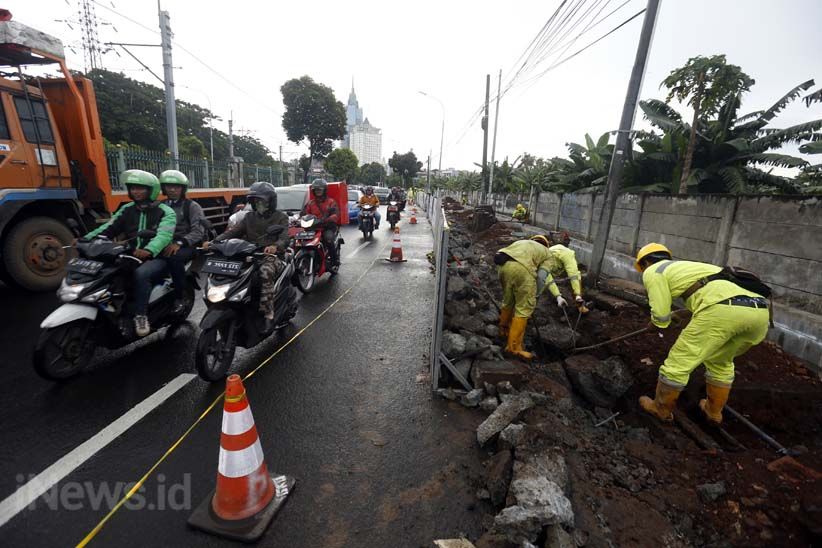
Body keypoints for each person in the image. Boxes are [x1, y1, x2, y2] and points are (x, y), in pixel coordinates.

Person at [634, 243, 770, 424]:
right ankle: (713, 412)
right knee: (720, 361)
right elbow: (717, 294)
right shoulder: (696, 267)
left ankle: (660, 409)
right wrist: (682, 314)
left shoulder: (653, 271)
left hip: (722, 311)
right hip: (760, 313)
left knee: (679, 361)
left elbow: (660, 314)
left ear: (645, 263)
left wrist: (658, 324)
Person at [82, 169, 176, 337]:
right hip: (129, 253)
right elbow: (109, 227)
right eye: (133, 188)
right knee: (106, 271)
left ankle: (141, 315)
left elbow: (164, 235)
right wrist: (86, 239)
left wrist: (149, 250)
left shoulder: (166, 211)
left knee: (141, 274)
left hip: (158, 256)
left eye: (141, 188)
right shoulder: (127, 208)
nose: (136, 191)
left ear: (151, 190)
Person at [206, 182, 289, 319]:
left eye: (262, 201)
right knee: (228, 271)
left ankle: (267, 310)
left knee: (266, 271)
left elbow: (285, 238)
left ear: (271, 201)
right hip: (250, 254)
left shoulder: (280, 217)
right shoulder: (249, 217)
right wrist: (214, 242)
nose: (259, 204)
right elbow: (232, 232)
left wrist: (275, 246)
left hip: (272, 256)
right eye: (255, 201)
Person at [494, 235, 558, 361]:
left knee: (508, 300)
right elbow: (541, 277)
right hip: (522, 270)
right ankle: (513, 348)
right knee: (523, 309)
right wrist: (535, 295)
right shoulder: (548, 254)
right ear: (546, 245)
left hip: (502, 268)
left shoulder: (521, 242)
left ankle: (503, 330)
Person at [157, 169, 206, 314]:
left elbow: (198, 232)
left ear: (182, 189)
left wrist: (179, 243)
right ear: (163, 188)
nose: (172, 190)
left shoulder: (191, 206)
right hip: (162, 243)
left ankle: (180, 296)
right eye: (169, 186)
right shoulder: (159, 206)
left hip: (186, 245)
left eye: (176, 187)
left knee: (173, 258)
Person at [302, 178, 341, 268]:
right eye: (316, 190)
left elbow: (335, 214)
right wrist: (298, 219)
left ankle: (334, 260)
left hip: (327, 226)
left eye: (320, 189)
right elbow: (304, 214)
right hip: (313, 227)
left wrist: (327, 219)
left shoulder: (331, 202)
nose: (318, 191)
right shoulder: (310, 203)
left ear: (324, 190)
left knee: (328, 239)